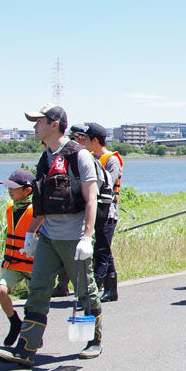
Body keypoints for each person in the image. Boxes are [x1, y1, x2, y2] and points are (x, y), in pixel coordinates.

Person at [0, 104, 103, 366]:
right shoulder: (46, 158)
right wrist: (31, 233)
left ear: (55, 124)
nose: (34, 127)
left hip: (74, 237)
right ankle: (27, 347)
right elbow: (42, 201)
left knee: (84, 291)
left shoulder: (80, 156)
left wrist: (87, 237)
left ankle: (94, 339)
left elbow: (91, 199)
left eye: (39, 122)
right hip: (48, 237)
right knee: (38, 289)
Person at [73, 123, 123, 302]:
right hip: (95, 210)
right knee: (102, 250)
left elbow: (107, 182)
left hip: (107, 211)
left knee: (102, 249)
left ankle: (97, 288)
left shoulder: (111, 160)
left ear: (95, 140)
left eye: (85, 139)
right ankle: (110, 289)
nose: (83, 142)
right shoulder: (91, 157)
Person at [0, 168, 35, 346]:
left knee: (34, 305)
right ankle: (14, 322)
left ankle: (32, 334)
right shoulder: (10, 208)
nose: (10, 190)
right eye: (8, 187)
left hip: (34, 266)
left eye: (14, 187)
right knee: (0, 290)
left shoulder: (37, 211)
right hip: (14, 264)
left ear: (28, 190)